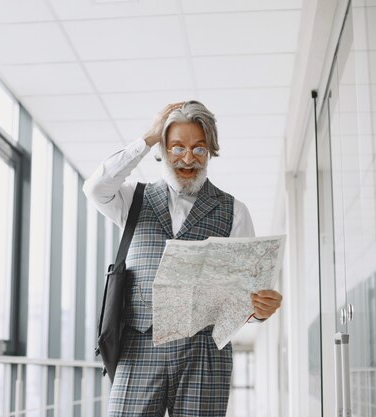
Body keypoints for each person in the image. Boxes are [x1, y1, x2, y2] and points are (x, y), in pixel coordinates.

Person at [83, 101, 283, 416]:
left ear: (211, 152)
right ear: (162, 149)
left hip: (204, 353)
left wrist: (260, 310)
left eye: (199, 149)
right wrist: (147, 137)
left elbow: (247, 293)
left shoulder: (234, 211)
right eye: (177, 147)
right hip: (138, 348)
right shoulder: (132, 198)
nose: (188, 158)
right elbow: (95, 187)